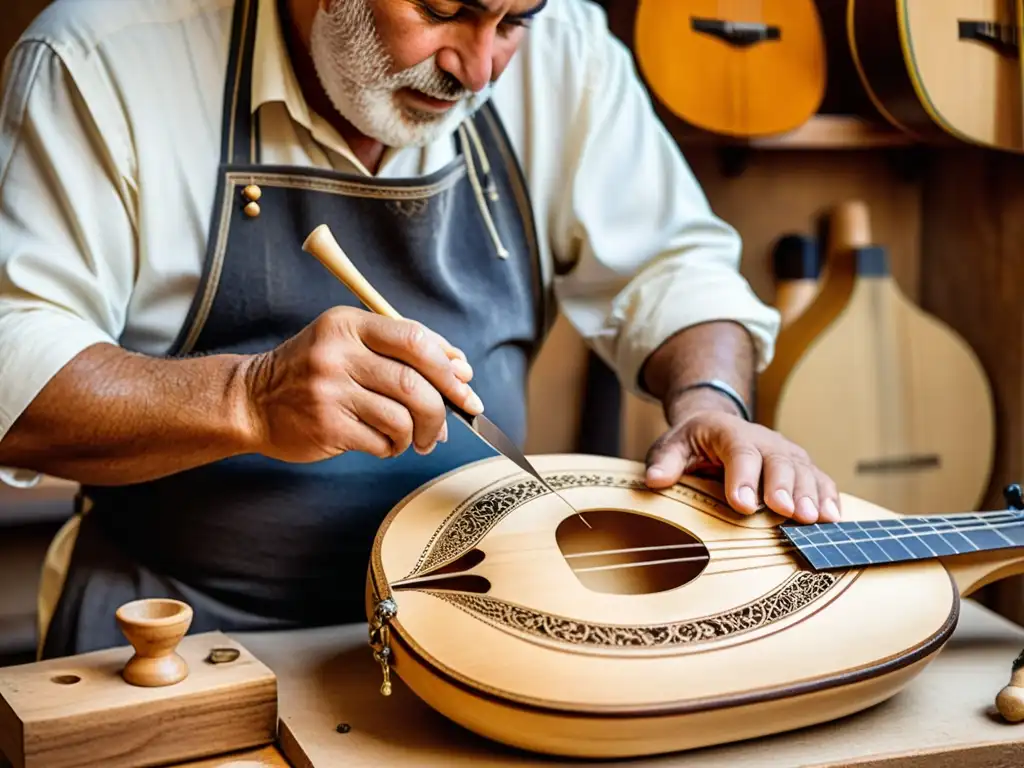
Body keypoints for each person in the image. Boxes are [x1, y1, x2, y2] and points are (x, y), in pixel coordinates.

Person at [0, 0, 841, 659]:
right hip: (186, 630)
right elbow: (13, 369)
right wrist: (247, 397)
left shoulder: (568, 55)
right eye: (442, 11)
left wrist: (709, 399)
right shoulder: (99, 59)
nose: (477, 69)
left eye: (513, 21)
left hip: (484, 629)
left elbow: (674, 267)